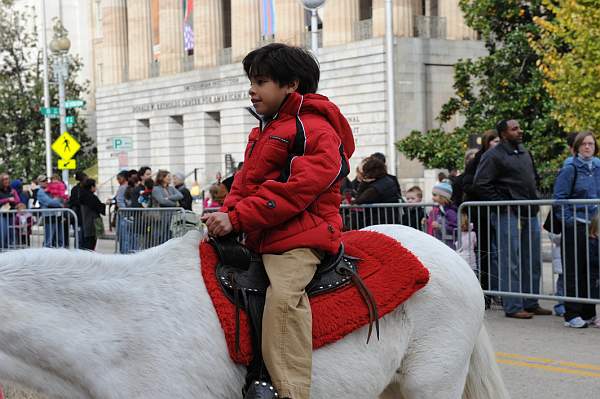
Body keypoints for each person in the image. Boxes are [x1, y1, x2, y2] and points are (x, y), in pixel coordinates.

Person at [201, 43, 354, 399]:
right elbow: (243, 183)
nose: (252, 89)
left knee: (284, 296)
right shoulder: (265, 130)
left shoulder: (315, 128)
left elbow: (297, 190)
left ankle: (290, 389)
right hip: (263, 234)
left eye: (262, 81)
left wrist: (237, 217)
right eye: (252, 81)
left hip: (301, 238)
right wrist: (227, 214)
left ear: (292, 85)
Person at [473, 119, 552, 319]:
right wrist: (503, 202)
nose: (519, 131)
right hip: (508, 214)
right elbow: (481, 184)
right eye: (514, 129)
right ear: (503, 134)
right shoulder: (493, 155)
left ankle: (530, 301)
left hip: (529, 211)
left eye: (519, 127)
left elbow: (532, 177)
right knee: (511, 260)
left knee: (532, 259)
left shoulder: (524, 152)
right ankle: (514, 305)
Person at [553, 131, 600, 328]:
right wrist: (570, 221)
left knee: (590, 270)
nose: (588, 147)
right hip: (576, 224)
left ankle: (588, 311)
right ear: (577, 147)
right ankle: (572, 314)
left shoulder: (597, 167)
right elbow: (559, 199)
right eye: (584, 144)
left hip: (594, 226)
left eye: (591, 144)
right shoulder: (570, 168)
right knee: (573, 269)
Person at [461, 130, 500, 307]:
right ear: (486, 143)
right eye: (494, 141)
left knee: (501, 253)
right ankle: (485, 293)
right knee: (484, 253)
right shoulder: (479, 159)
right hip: (483, 213)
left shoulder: (503, 157)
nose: (497, 144)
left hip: (499, 212)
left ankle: (501, 291)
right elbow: (467, 183)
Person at [353, 156, 401, 226]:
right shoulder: (387, 180)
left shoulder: (376, 187)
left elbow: (359, 200)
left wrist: (364, 183)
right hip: (389, 219)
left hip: (379, 221)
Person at [152, 170, 183, 244]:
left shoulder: (171, 188)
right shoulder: (156, 189)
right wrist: (175, 204)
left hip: (172, 216)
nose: (170, 178)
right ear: (162, 178)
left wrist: (168, 198)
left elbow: (180, 195)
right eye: (168, 176)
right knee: (161, 235)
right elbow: (162, 201)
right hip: (161, 216)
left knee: (170, 235)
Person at [36, 175, 66, 248]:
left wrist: (60, 200)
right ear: (39, 183)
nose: (46, 182)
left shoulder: (51, 188)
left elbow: (62, 195)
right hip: (49, 216)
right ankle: (46, 252)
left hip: (57, 215)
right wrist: (60, 203)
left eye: (46, 180)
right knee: (49, 238)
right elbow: (50, 202)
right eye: (43, 181)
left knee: (59, 237)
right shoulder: (40, 192)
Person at [425, 181, 457, 249]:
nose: (432, 198)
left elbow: (455, 228)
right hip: (440, 242)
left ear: (443, 197)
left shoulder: (450, 212)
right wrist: (427, 221)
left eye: (435, 195)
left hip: (449, 244)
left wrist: (439, 226)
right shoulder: (439, 209)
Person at [79, 178, 106, 250]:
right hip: (91, 222)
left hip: (86, 222)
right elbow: (98, 206)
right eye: (95, 186)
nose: (96, 187)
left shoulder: (83, 195)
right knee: (90, 243)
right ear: (91, 187)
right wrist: (105, 204)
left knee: (88, 242)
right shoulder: (91, 197)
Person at [0, 173, 20, 249]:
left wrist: (14, 194)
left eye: (8, 179)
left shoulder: (12, 190)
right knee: (3, 232)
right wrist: (7, 199)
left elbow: (18, 200)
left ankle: (11, 250)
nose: (7, 181)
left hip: (11, 214)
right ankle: (2, 249)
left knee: (12, 232)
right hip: (2, 215)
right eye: (5, 179)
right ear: (1, 181)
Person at [68, 171, 88, 246]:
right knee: (79, 237)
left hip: (84, 217)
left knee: (84, 238)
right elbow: (73, 202)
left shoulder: (85, 188)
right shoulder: (76, 189)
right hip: (79, 216)